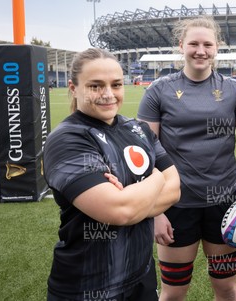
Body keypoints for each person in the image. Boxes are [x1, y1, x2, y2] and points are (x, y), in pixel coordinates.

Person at [137, 16, 236, 301]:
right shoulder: (158, 91)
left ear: (217, 48)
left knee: (226, 288)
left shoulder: (234, 90)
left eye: (207, 44)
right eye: (194, 44)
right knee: (174, 291)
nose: (201, 50)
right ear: (181, 46)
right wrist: (155, 210)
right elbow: (144, 154)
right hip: (174, 205)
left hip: (224, 207)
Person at [43, 48, 181, 301]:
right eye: (95, 86)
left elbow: (175, 189)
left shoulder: (138, 129)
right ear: (74, 88)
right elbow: (120, 211)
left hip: (141, 278)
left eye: (116, 84)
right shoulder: (67, 140)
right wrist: (157, 178)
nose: (108, 94)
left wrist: (132, 197)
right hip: (86, 286)